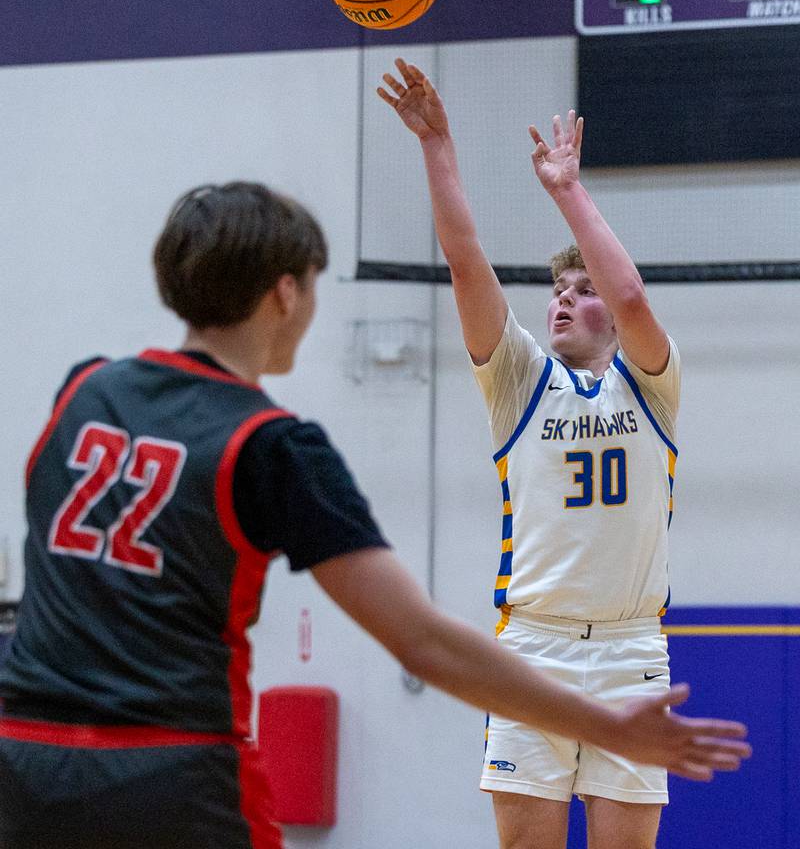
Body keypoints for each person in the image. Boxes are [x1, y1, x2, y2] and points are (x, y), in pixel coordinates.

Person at [0, 182, 748, 849]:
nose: (562, 299)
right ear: (287, 294)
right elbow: (420, 639)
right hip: (175, 762)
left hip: (23, 753)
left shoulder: (82, 389)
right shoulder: (271, 446)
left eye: (584, 290)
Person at [378, 60, 712, 849]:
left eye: (579, 290)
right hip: (533, 646)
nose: (564, 298)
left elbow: (629, 297)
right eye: (556, 292)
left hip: (631, 646)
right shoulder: (519, 382)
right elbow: (465, 261)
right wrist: (438, 143)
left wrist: (566, 188)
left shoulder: (651, 384)